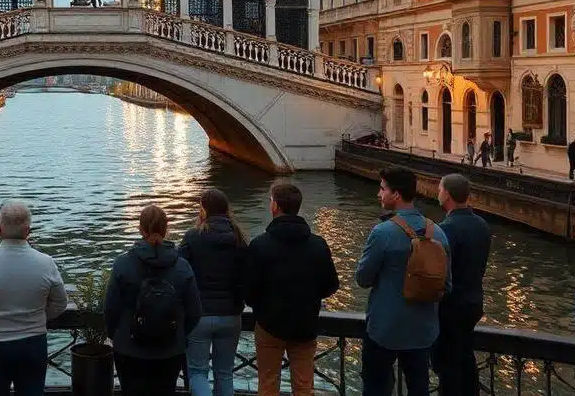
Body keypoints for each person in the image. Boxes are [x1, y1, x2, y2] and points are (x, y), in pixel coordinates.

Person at [356, 167, 450, 396]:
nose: (379, 194)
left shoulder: (382, 232)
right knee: (419, 388)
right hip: (423, 329)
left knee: (376, 387)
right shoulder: (438, 232)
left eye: (382, 189)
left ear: (396, 194)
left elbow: (363, 278)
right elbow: (446, 284)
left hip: (384, 328)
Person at [0, 200, 67, 396]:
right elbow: (60, 302)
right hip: (32, 343)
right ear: (28, 230)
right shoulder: (46, 263)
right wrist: (40, 316)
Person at [245, 182, 339, 396]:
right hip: (305, 324)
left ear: (275, 206)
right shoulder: (318, 244)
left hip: (269, 324)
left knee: (268, 383)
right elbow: (331, 285)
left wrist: (261, 306)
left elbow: (249, 290)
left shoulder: (260, 245)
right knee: (304, 385)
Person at [106, 204, 202, 396]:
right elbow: (195, 311)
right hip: (170, 349)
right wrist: (178, 332)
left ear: (140, 229)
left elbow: (110, 308)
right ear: (166, 229)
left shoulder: (123, 264)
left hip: (129, 347)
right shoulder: (182, 267)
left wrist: (115, 334)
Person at [178, 189, 247, 396]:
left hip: (199, 314)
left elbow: (180, 271)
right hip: (231, 314)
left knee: (198, 372)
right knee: (225, 373)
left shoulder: (193, 237)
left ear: (203, 210)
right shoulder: (239, 239)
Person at [431, 175, 491, 396]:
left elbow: (440, 273)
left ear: (447, 195)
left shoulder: (446, 229)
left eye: (439, 190)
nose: (438, 193)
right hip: (474, 301)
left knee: (448, 365)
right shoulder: (482, 225)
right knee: (465, 357)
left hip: (452, 306)